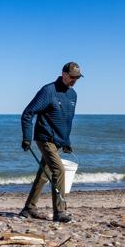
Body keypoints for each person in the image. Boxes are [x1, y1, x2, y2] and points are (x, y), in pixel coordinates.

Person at [19, 62, 83, 223]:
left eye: (77, 78)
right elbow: (28, 113)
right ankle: (59, 211)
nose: (74, 80)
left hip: (58, 142)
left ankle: (29, 208)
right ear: (64, 74)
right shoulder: (48, 91)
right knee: (59, 170)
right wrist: (27, 137)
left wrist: (66, 141)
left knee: (43, 175)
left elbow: (67, 120)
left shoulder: (73, 95)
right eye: (72, 77)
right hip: (45, 138)